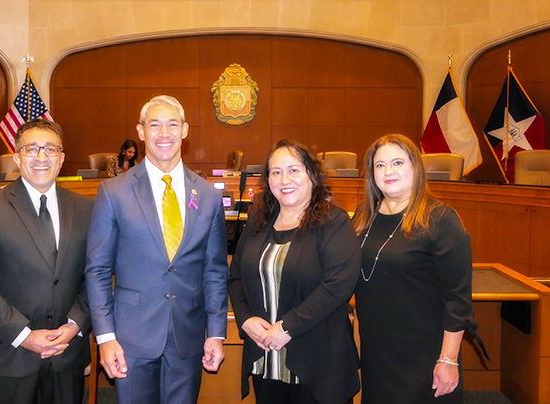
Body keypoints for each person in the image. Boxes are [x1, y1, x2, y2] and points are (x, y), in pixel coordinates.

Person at [85, 95, 228, 404]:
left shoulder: (206, 196)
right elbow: (97, 271)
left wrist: (216, 332)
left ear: (185, 130)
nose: (164, 133)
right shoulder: (114, 192)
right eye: (155, 124)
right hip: (130, 338)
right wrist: (106, 337)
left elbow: (215, 270)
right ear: (141, 131)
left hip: (187, 337)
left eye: (172, 124)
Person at [0, 119, 92, 404]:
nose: (42, 157)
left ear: (62, 159)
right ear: (18, 157)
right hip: (9, 355)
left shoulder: (86, 209)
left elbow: (93, 276)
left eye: (51, 149)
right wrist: (24, 335)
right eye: (32, 149)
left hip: (66, 353)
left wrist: (74, 325)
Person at [228, 139, 361, 404]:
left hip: (319, 360)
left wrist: (288, 328)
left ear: (312, 175)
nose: (284, 179)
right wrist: (244, 319)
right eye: (276, 172)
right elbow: (236, 277)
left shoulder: (333, 221)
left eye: (294, 170)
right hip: (266, 359)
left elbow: (338, 285)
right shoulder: (258, 221)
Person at [352, 134, 478, 403]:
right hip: (378, 351)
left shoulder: (440, 219)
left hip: (425, 354)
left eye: (397, 162)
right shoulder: (364, 215)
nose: (388, 171)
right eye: (380, 165)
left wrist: (448, 359)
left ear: (415, 168)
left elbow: (457, 299)